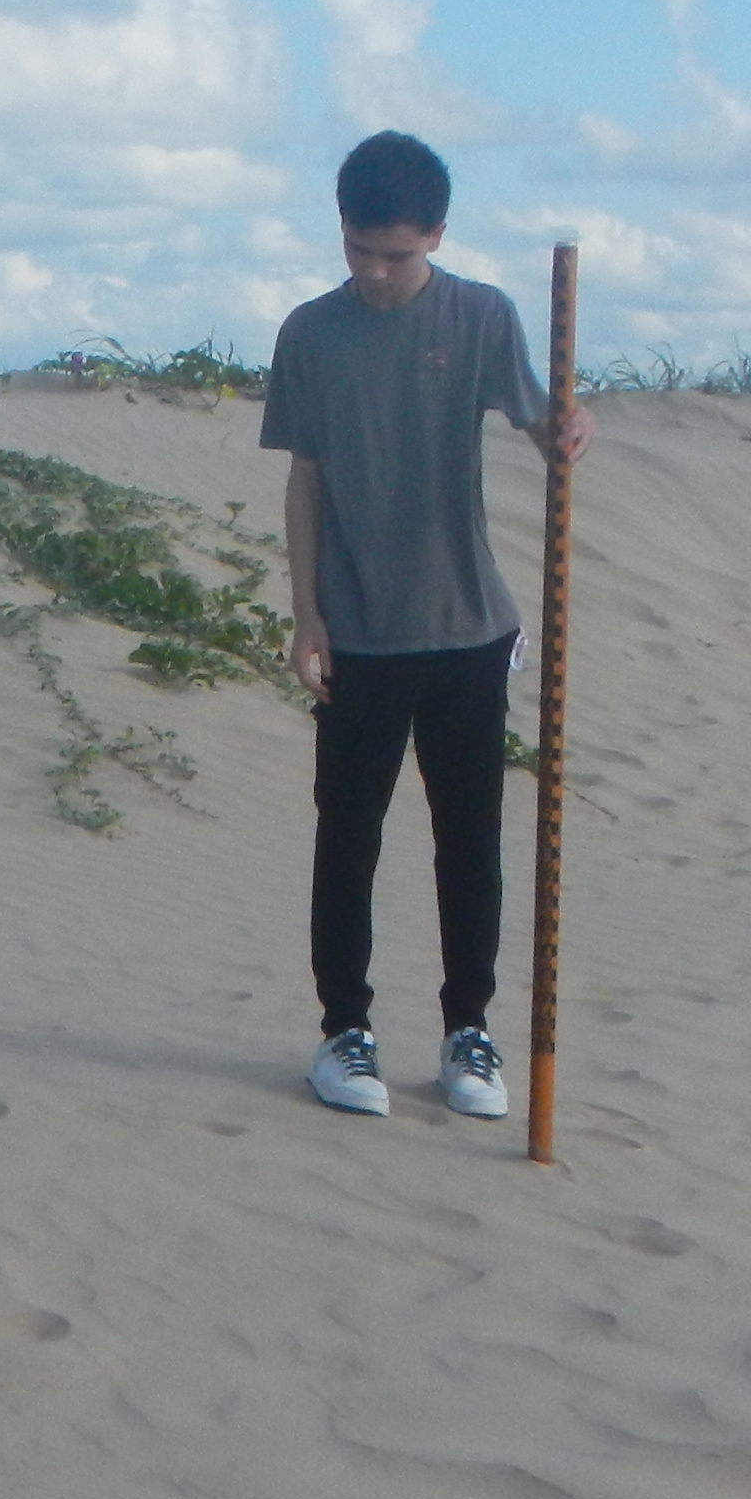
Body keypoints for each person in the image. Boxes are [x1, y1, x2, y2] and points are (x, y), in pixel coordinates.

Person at [259, 128, 589, 1124]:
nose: (373, 270)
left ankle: (469, 1032)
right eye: (358, 248)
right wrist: (307, 613)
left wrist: (571, 427)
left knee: (470, 840)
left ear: (435, 235)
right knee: (348, 835)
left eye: (395, 254)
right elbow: (304, 479)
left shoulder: (481, 317)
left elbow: (542, 422)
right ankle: (343, 1031)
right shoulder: (309, 333)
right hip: (358, 632)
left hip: (467, 629)